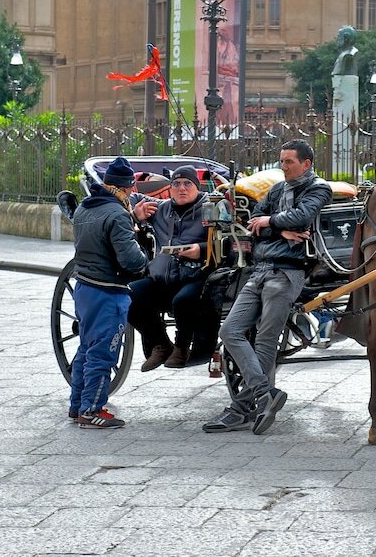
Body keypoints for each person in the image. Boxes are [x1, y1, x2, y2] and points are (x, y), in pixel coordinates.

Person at [202, 139, 333, 435]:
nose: (283, 166)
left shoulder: (318, 188)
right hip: (259, 270)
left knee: (265, 341)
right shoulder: (276, 189)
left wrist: (270, 223)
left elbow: (301, 216)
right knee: (229, 331)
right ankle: (265, 394)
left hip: (287, 272)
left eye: (289, 161)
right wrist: (280, 229)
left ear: (306, 163)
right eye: (282, 161)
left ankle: (240, 409)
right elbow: (252, 224)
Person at [69, 156, 149, 429]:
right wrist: (145, 255)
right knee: (104, 352)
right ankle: (92, 410)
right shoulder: (117, 215)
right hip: (108, 291)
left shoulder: (83, 209)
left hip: (85, 287)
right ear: (127, 188)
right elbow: (131, 261)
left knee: (86, 348)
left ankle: (77, 404)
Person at [129, 165, 219, 371]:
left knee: (183, 301)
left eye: (188, 183)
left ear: (197, 187)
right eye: (176, 184)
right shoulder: (161, 208)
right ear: (170, 189)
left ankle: (182, 348)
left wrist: (202, 249)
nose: (182, 188)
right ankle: (161, 344)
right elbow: (130, 197)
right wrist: (136, 214)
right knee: (128, 295)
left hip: (196, 276)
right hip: (163, 278)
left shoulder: (210, 207)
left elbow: (230, 245)